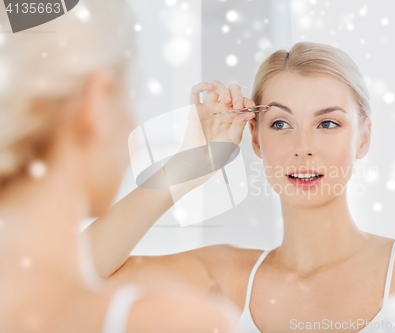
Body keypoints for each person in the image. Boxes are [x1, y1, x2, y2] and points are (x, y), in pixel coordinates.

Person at [84, 42, 395, 332]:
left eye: (327, 124)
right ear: (255, 140)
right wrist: (191, 166)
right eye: (280, 124)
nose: (302, 148)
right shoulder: (223, 279)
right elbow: (74, 275)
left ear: (363, 138)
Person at [0, 1, 239, 332]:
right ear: (96, 102)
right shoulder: (167, 323)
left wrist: (188, 166)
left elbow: (82, 264)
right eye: (129, 94)